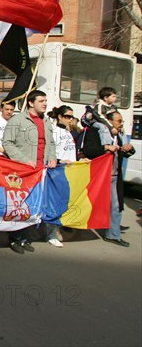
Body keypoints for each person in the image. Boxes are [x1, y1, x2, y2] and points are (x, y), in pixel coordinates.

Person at [3, 90, 57, 254]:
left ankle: (25, 237)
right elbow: (7, 142)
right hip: (23, 172)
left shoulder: (46, 121)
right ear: (31, 103)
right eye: (41, 101)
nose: (45, 104)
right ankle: (15, 238)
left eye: (46, 100)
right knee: (19, 205)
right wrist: (23, 160)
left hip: (41, 172)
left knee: (33, 206)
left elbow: (51, 143)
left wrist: (52, 157)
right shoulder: (17, 120)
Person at [82, 110, 135, 247]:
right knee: (87, 204)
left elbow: (122, 152)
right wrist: (105, 147)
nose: (121, 123)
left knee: (116, 206)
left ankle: (113, 234)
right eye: (119, 121)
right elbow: (88, 150)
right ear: (109, 122)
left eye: (122, 121)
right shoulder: (95, 131)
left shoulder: (118, 135)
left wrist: (128, 149)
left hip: (114, 175)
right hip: (100, 175)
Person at [45, 105, 78, 248]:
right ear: (59, 117)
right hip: (57, 171)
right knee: (54, 202)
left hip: (69, 171)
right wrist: (60, 161)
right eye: (67, 116)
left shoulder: (68, 132)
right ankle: (51, 233)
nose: (70, 119)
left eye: (71, 117)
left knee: (64, 201)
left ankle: (57, 228)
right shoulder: (53, 131)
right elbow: (48, 154)